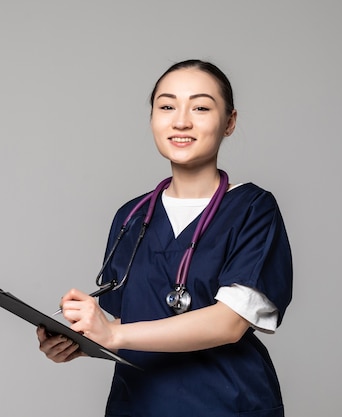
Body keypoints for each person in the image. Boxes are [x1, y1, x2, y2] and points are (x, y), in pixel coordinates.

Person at [37, 59, 293, 417]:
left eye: (201, 107)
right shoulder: (132, 216)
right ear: (153, 118)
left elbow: (229, 323)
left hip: (225, 404)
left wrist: (114, 336)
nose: (181, 121)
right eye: (167, 106)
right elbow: (131, 322)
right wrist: (84, 340)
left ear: (230, 121)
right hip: (139, 403)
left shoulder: (252, 208)